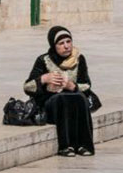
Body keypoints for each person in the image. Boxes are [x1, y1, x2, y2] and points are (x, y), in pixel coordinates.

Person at [23, 25, 96, 157]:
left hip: (73, 98)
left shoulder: (79, 59)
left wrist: (72, 86)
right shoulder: (43, 60)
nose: (66, 46)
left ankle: (83, 145)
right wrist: (44, 79)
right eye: (61, 43)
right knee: (62, 99)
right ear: (53, 45)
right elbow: (27, 87)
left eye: (68, 42)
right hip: (51, 102)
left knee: (80, 98)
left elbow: (87, 85)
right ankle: (65, 146)